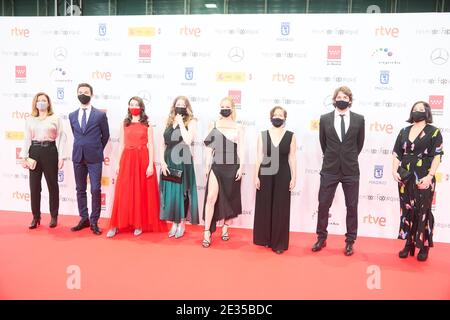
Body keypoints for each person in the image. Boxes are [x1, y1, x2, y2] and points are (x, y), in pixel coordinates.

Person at [312, 86, 365, 256]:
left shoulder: (359, 119)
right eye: (339, 96)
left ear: (350, 100)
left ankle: (350, 241)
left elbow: (359, 144)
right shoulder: (325, 119)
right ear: (334, 100)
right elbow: (323, 143)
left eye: (345, 96)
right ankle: (321, 237)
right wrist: (334, 156)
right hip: (330, 168)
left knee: (351, 206)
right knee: (323, 204)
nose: (341, 98)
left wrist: (347, 157)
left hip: (351, 170)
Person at [107, 97, 166, 237]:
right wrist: (118, 163)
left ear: (141, 107)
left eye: (136, 104)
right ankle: (115, 225)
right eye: (131, 104)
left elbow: (151, 145)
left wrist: (150, 164)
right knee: (123, 192)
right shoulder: (125, 123)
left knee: (140, 191)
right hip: (127, 159)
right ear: (128, 106)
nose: (134, 107)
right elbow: (121, 144)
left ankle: (138, 224)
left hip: (142, 159)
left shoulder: (147, 124)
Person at [392, 101, 443, 261]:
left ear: (427, 113)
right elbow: (396, 154)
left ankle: (424, 245)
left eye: (421, 109)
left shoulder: (434, 132)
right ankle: (409, 242)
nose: (417, 111)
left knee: (423, 211)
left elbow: (437, 156)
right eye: (415, 109)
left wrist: (429, 176)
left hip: (424, 176)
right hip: (405, 176)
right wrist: (394, 170)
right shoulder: (403, 131)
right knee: (407, 209)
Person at [253, 106, 297, 254]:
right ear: (270, 117)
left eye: (281, 115)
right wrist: (255, 176)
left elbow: (292, 157)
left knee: (281, 207)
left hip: (284, 172)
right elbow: (259, 157)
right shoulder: (263, 135)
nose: (278, 117)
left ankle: (278, 243)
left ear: (285, 118)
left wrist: (294, 176)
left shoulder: (291, 135)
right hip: (265, 171)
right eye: (275, 115)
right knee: (265, 204)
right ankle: (264, 238)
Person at [202, 97, 244, 248]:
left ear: (232, 109)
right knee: (211, 197)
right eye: (222, 106)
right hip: (217, 165)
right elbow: (208, 148)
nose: (225, 108)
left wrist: (242, 167)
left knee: (230, 197)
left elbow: (241, 149)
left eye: (227, 106)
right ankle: (207, 231)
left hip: (233, 165)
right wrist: (207, 166)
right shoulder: (213, 124)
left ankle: (225, 227)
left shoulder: (238, 127)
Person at [20, 92, 65, 229]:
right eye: (39, 100)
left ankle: (54, 216)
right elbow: (27, 138)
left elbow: (62, 138)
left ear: (48, 103)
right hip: (34, 152)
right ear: (35, 103)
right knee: (34, 186)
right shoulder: (30, 119)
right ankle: (36, 217)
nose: (41, 102)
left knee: (53, 185)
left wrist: (61, 156)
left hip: (50, 151)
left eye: (44, 100)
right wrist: (23, 157)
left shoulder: (55, 118)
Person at [69, 83, 110, 235]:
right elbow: (76, 134)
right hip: (78, 156)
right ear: (77, 94)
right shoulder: (72, 115)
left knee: (95, 189)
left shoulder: (99, 115)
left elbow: (105, 136)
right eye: (80, 92)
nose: (83, 94)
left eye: (86, 92)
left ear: (91, 95)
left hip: (94, 158)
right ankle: (84, 218)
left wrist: (97, 148)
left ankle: (94, 221)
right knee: (80, 189)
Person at [159, 96, 199, 238]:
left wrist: (181, 123)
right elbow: (162, 143)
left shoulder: (192, 121)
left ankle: (181, 223)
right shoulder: (169, 121)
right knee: (171, 193)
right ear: (174, 106)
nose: (180, 106)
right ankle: (174, 223)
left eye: (183, 104)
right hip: (169, 160)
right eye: (178, 104)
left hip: (182, 159)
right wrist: (162, 162)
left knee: (182, 192)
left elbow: (188, 140)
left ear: (187, 107)